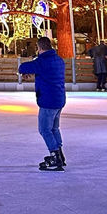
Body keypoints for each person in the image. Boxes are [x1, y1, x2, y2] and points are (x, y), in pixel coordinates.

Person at [18, 36, 66, 171]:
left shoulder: (42, 61)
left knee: (44, 129)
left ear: (39, 48)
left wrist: (27, 71)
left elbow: (23, 67)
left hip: (48, 101)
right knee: (54, 129)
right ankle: (60, 155)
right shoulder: (58, 60)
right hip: (59, 99)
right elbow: (44, 72)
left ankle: (55, 157)